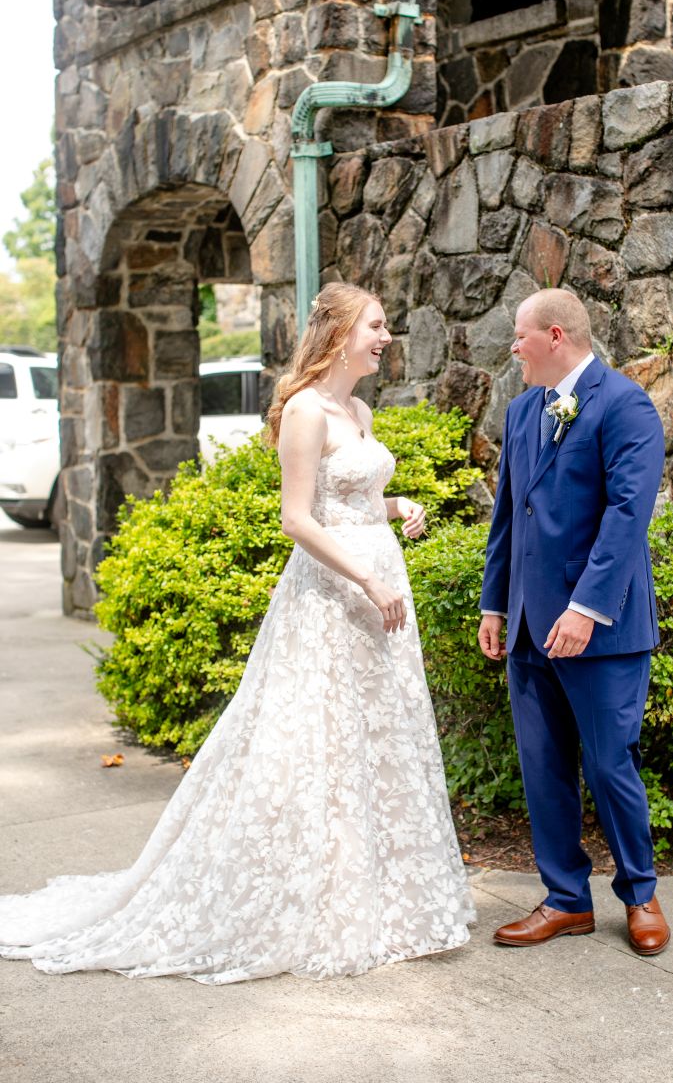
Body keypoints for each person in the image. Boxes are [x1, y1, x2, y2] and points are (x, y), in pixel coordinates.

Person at [0, 281, 474, 984]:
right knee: (319, 742)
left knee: (377, 738)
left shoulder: (360, 407)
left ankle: (388, 905)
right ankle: (315, 900)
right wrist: (367, 580)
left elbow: (358, 497)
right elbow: (298, 518)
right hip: (335, 597)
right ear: (341, 333)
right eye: (376, 325)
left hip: (381, 592)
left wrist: (399, 505)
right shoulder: (309, 411)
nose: (386, 337)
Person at [478, 288, 670, 956]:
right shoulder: (523, 408)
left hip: (604, 629)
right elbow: (509, 516)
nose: (514, 347)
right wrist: (495, 603)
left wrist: (586, 609)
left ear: (555, 336)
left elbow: (627, 515)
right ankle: (565, 900)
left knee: (610, 762)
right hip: (530, 627)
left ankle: (640, 894)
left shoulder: (625, 405)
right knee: (543, 766)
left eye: (520, 336)